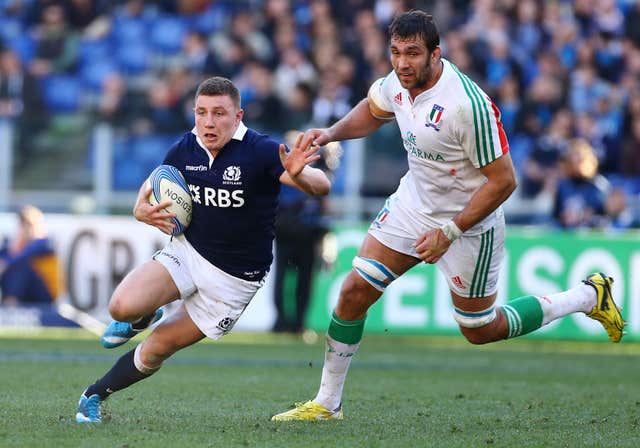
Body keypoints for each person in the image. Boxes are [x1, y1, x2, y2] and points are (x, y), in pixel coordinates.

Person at [271, 11, 625, 422]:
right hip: (413, 204)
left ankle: (587, 296)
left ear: (436, 54)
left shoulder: (466, 106)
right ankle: (327, 403)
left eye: (413, 54)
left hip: (469, 221)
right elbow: (374, 108)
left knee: (479, 330)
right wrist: (330, 133)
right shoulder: (398, 83)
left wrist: (451, 231)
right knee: (353, 292)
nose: (403, 63)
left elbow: (504, 181)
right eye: (396, 53)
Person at [74, 76, 331, 423]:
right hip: (188, 251)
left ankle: (93, 394)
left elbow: (321, 185)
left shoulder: (259, 150)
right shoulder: (186, 147)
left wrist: (300, 175)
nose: (209, 122)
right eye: (201, 113)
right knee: (120, 307)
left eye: (219, 113)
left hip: (234, 280)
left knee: (156, 351)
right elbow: (157, 178)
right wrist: (139, 206)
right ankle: (144, 315)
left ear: (238, 117)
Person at [272, 132, 331, 333]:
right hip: (289, 231)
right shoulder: (283, 171)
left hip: (304, 232)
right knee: (287, 279)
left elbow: (322, 205)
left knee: (301, 280)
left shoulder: (317, 169)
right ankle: (284, 321)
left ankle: (296, 322)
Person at [0, 205, 62, 306]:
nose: (27, 228)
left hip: (45, 294)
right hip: (25, 293)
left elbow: (22, 256)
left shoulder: (45, 243)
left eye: (30, 224)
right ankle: (9, 301)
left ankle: (11, 302)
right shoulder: (13, 246)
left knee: (21, 265)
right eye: (23, 224)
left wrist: (10, 255)